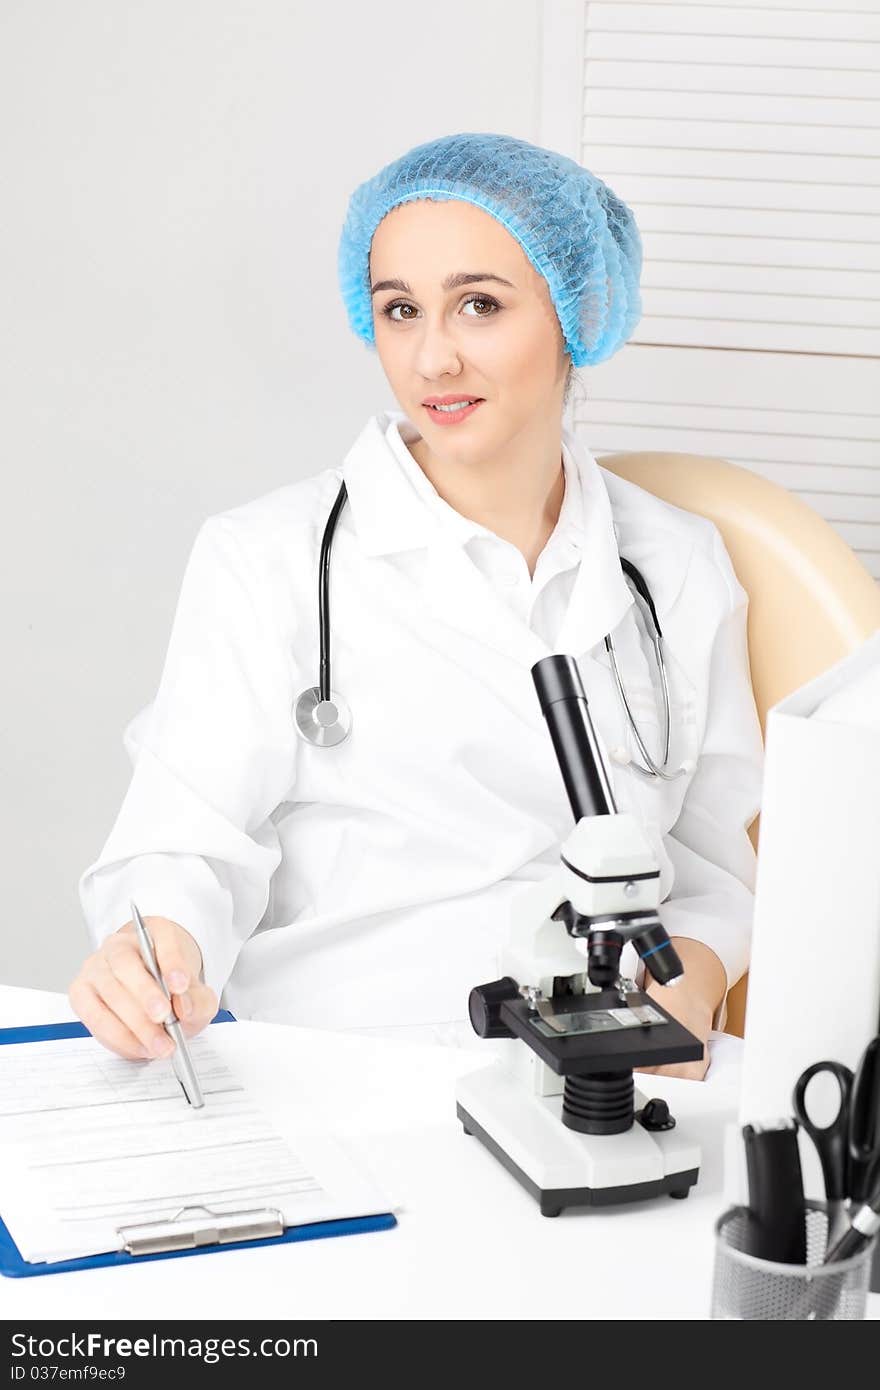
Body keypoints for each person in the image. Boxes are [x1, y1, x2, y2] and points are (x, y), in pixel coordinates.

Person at [69, 132, 765, 1081]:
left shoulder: (676, 566)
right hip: (337, 1065)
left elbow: (713, 865)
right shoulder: (269, 559)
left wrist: (687, 982)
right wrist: (155, 949)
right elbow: (184, 849)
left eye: (478, 305)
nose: (432, 356)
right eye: (400, 311)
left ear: (575, 314)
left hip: (603, 1066)